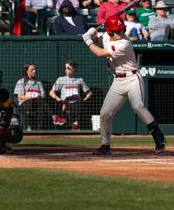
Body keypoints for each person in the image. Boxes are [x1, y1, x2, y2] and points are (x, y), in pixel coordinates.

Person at [81, 15, 166, 155]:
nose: (121, 32)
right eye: (117, 30)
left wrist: (88, 39)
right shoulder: (107, 36)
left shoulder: (124, 43)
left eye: (121, 29)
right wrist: (92, 32)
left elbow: (100, 52)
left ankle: (158, 136)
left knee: (138, 107)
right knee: (104, 114)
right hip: (118, 81)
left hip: (132, 78)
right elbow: (98, 38)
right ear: (109, 32)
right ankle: (105, 145)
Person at [49, 60, 92, 130]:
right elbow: (51, 93)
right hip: (64, 103)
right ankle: (69, 122)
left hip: (76, 104)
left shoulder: (79, 80)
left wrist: (84, 100)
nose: (66, 70)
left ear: (74, 69)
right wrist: (60, 100)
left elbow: (89, 93)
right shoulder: (61, 79)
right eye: (65, 68)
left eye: (68, 68)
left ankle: (75, 124)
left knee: (78, 105)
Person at [14, 63, 55, 131]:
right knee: (36, 101)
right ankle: (53, 115)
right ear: (27, 71)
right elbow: (19, 96)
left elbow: (43, 96)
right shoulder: (21, 82)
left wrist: (36, 98)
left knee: (40, 107)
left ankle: (39, 131)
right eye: (32, 69)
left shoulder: (38, 83)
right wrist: (29, 97)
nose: (34, 71)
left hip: (37, 104)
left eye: (35, 69)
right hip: (25, 104)